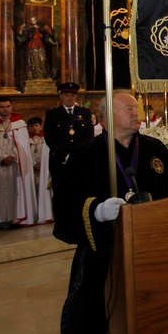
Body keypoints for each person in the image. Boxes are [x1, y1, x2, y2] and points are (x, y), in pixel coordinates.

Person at [58, 91, 168, 334]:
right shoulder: (85, 155)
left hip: (153, 253)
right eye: (127, 108)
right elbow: (65, 208)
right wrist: (97, 210)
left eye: (135, 107)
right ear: (106, 118)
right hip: (103, 256)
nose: (135, 112)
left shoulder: (154, 150)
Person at [44, 82, 95, 240]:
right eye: (66, 94)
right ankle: (62, 227)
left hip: (80, 162)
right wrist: (64, 155)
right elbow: (50, 139)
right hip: (60, 162)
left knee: (79, 193)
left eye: (72, 95)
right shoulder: (53, 114)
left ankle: (78, 225)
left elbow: (88, 137)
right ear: (61, 96)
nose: (70, 98)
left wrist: (77, 155)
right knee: (60, 194)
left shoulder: (84, 113)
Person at [0, 97, 37, 228]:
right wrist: (2, 156)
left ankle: (15, 218)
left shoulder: (20, 124)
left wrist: (12, 156)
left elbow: (22, 145)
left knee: (16, 191)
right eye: (1, 106)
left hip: (15, 166)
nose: (5, 109)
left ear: (12, 107)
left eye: (7, 106)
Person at [28, 117, 53, 224]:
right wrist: (33, 164)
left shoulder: (46, 139)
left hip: (44, 169)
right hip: (32, 169)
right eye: (31, 126)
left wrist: (42, 165)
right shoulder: (27, 140)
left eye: (36, 125)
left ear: (41, 126)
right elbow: (26, 154)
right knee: (33, 191)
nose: (34, 128)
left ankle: (46, 212)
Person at [16, 16, 56, 80]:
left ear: (36, 20)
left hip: (41, 46)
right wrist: (20, 30)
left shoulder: (41, 28)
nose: (33, 21)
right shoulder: (29, 29)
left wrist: (52, 40)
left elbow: (47, 36)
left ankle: (44, 75)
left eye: (34, 20)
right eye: (32, 20)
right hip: (33, 46)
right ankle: (37, 77)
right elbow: (23, 38)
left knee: (43, 60)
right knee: (35, 61)